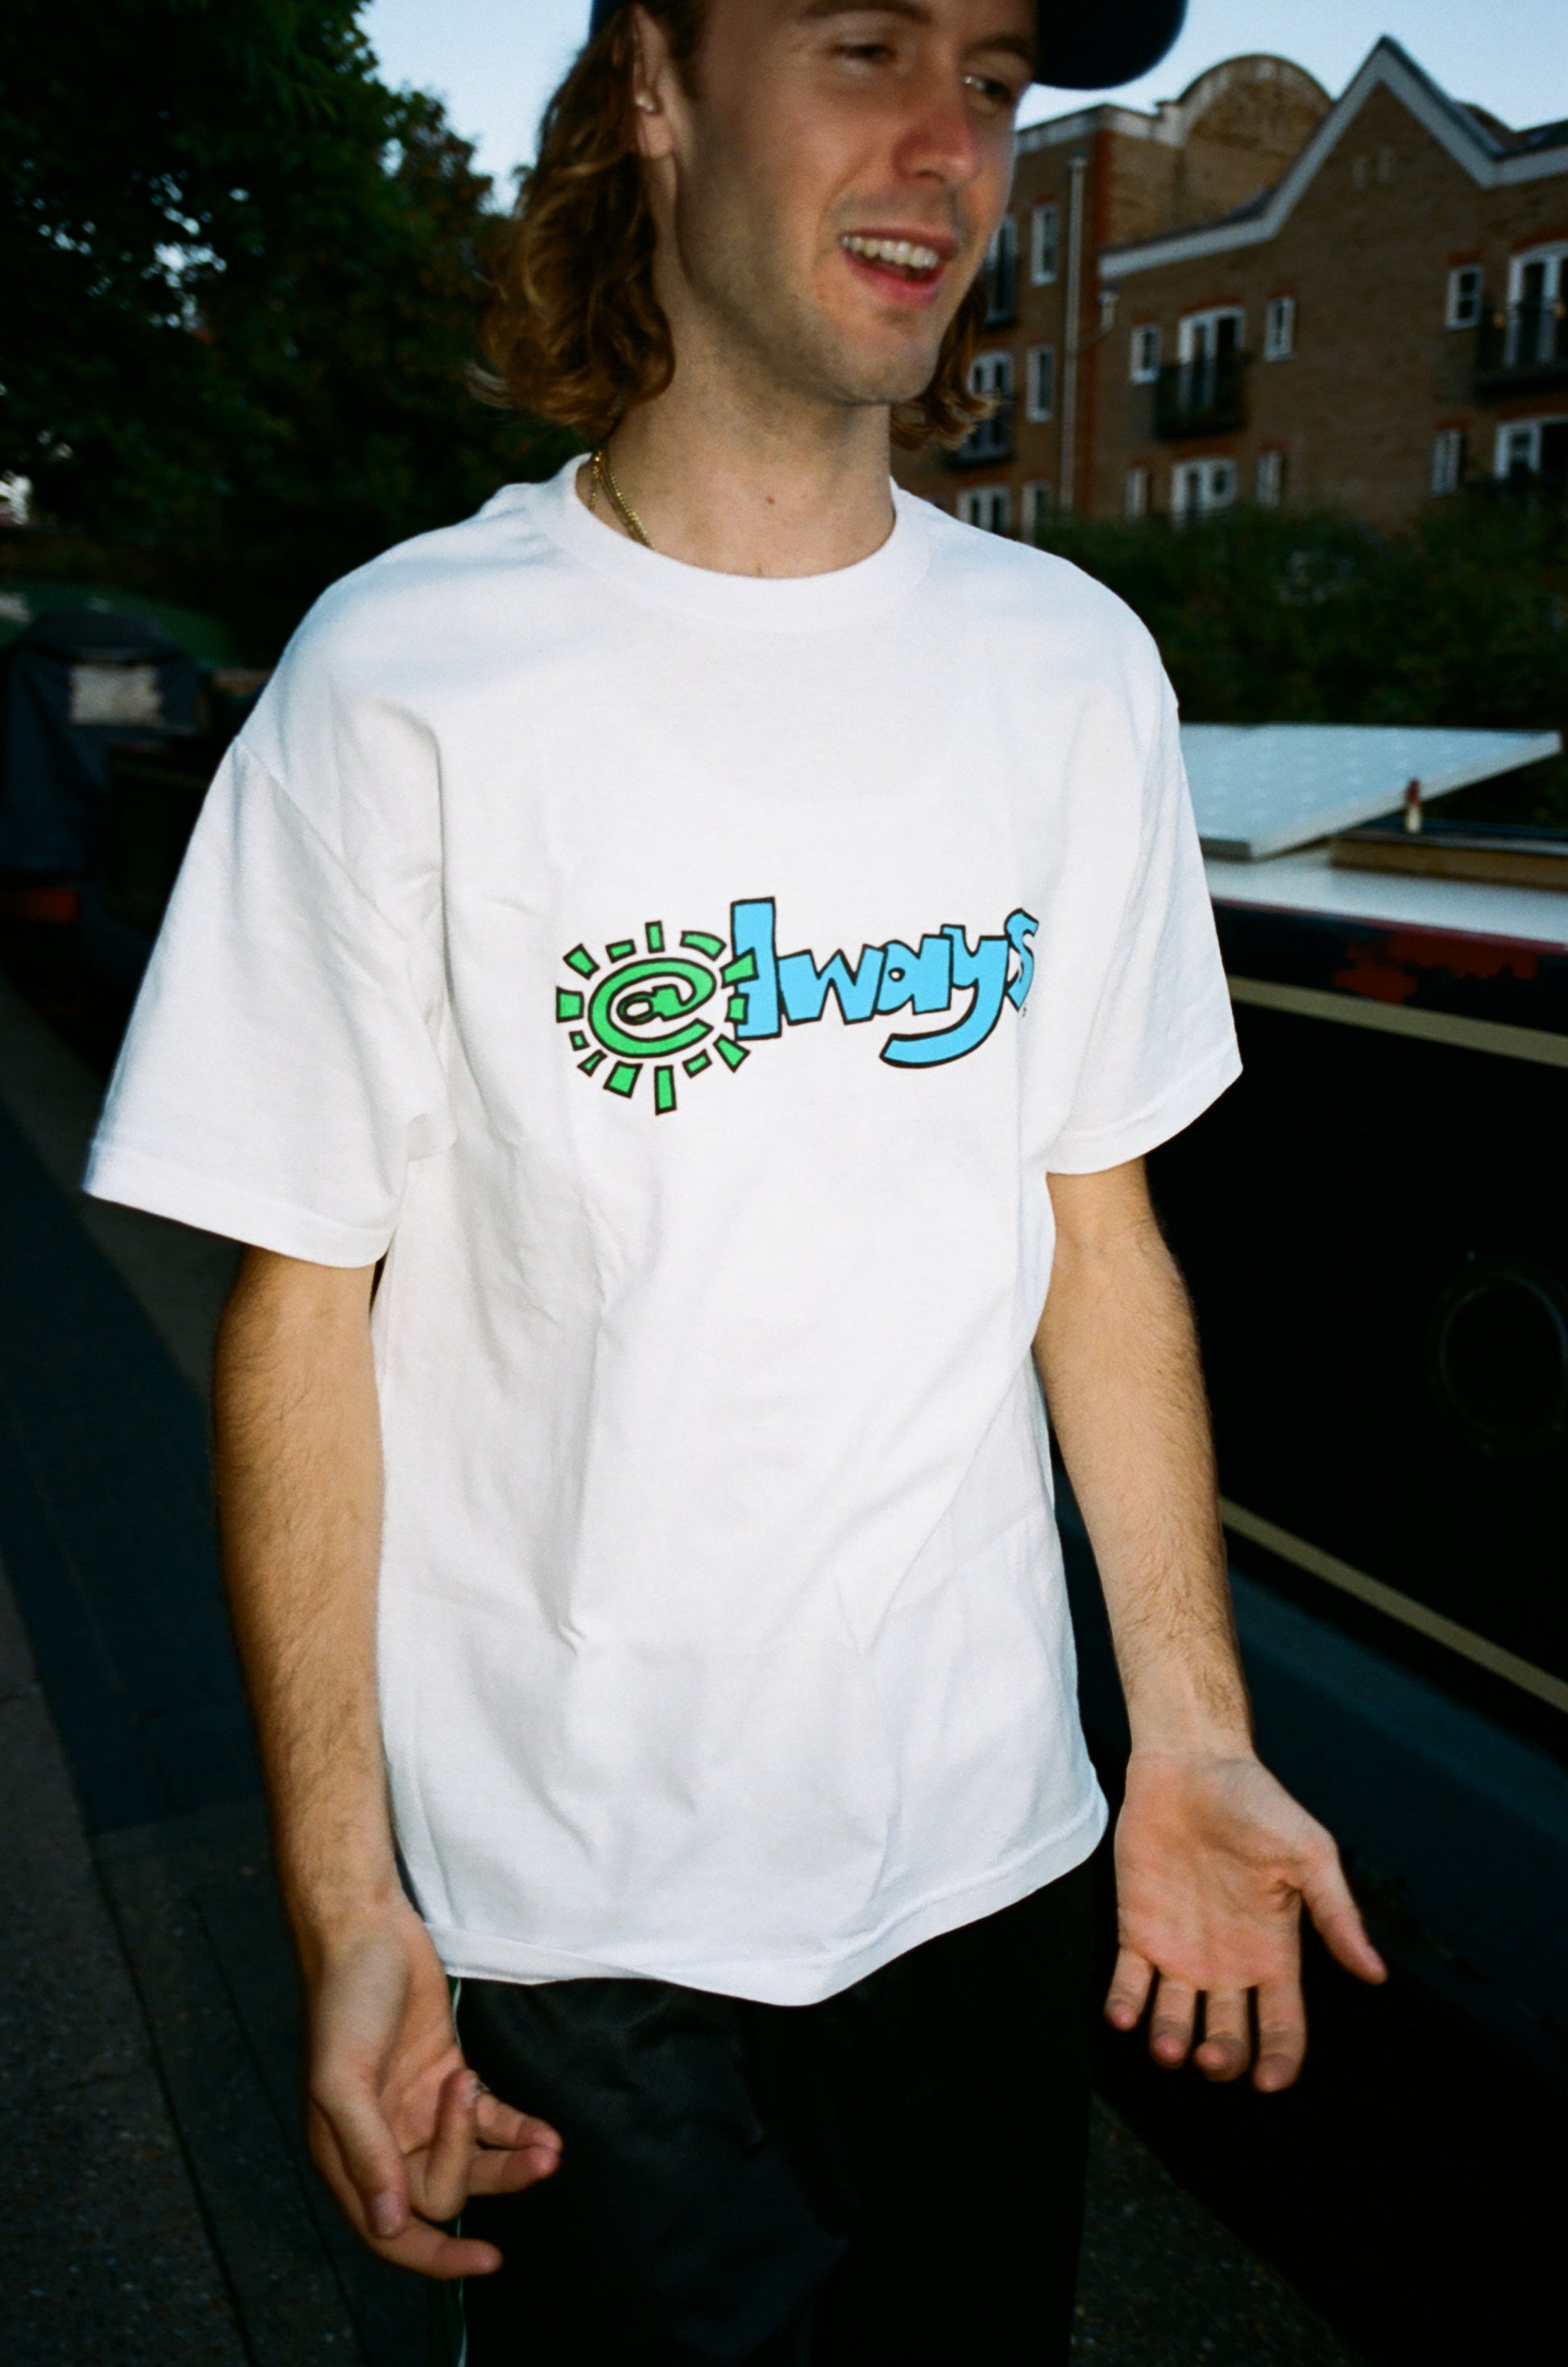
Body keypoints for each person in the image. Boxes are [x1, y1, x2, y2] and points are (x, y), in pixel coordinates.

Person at [85, 2, 1388, 2359]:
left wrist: (1186, 1734)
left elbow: (1097, 1251)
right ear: (658, 87)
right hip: (579, 1935)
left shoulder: (1070, 673)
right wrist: (347, 1903)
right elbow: (303, 1321)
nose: (945, 142)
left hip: (990, 1872)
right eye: (866, 42)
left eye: (993, 76)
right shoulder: (404, 678)